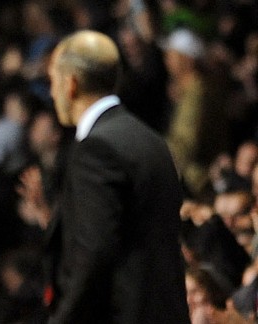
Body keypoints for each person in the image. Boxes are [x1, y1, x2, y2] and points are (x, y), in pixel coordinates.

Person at [44, 30, 190, 323]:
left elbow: (94, 254)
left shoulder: (96, 149)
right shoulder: (151, 139)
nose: (51, 93)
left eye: (52, 82)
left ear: (70, 84)